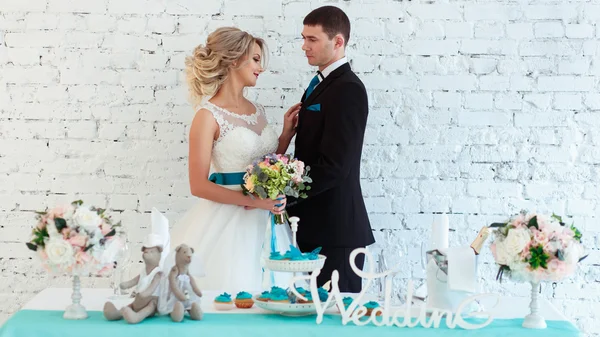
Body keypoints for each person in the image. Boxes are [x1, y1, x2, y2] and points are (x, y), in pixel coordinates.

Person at [169, 27, 302, 292]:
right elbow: (198, 185)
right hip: (228, 219)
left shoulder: (258, 111)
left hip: (268, 218)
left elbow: (265, 162)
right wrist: (254, 201)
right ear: (234, 60)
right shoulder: (207, 117)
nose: (259, 68)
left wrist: (286, 136)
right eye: (254, 59)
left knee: (278, 290)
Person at [286, 6, 375, 293]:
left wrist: (285, 194)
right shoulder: (320, 84)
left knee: (337, 322)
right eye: (303, 38)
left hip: (335, 231)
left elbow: (335, 166)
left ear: (338, 42)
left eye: (312, 39)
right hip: (313, 226)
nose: (304, 46)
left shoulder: (348, 88)